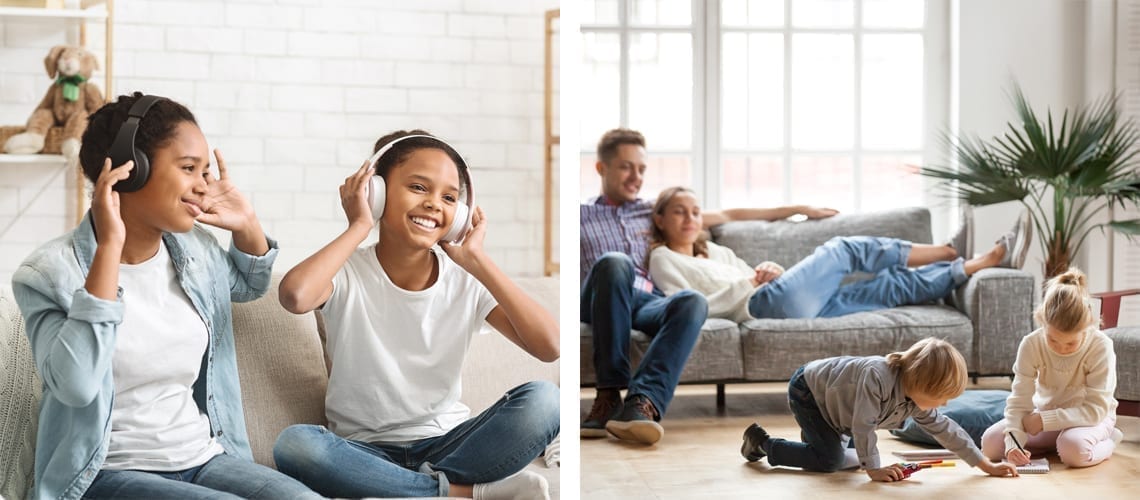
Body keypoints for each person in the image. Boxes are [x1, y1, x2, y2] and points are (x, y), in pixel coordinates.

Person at [10, 93, 319, 499]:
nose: (203, 186)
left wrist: (247, 225)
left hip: (201, 459)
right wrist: (108, 250)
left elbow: (247, 286)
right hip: (104, 474)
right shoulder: (49, 273)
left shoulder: (195, 250)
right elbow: (77, 384)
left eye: (206, 171)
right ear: (130, 169)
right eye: (190, 168)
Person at [271, 130, 560, 500]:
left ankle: (409, 491)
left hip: (451, 446)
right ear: (374, 193)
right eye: (419, 187)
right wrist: (358, 225)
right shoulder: (347, 271)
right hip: (364, 452)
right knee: (295, 445)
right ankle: (461, 494)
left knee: (546, 400)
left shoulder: (465, 280)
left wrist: (479, 261)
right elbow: (295, 296)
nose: (434, 204)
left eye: (450, 197)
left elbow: (549, 346)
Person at [580, 128, 839, 445]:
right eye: (625, 167)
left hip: (645, 301)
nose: (636, 176)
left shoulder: (650, 211)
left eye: (642, 168)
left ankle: (641, 405)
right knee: (614, 262)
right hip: (600, 299)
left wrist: (799, 209)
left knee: (691, 301)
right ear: (601, 168)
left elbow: (731, 214)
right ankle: (608, 394)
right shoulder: (579, 215)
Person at [646, 186, 1031, 322]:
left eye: (695, 211)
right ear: (660, 219)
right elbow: (684, 305)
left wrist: (769, 268)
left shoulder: (714, 250)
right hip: (761, 305)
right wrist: (750, 283)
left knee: (887, 288)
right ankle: (948, 250)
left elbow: (755, 272)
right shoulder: (663, 259)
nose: (690, 218)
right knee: (844, 249)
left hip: (783, 299)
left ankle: (975, 263)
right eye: (679, 211)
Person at [740, 338, 1020, 481]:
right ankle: (764, 443)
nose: (943, 405)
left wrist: (986, 465)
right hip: (810, 392)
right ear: (920, 383)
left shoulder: (916, 400)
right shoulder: (877, 376)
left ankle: (816, 442)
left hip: (839, 407)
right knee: (831, 462)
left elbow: (948, 431)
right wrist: (874, 469)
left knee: (847, 458)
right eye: (940, 397)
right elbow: (863, 425)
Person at [980, 267, 1124, 468]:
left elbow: (1095, 410)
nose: (1061, 349)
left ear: (1088, 326)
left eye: (1071, 343)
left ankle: (1108, 441)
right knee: (990, 445)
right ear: (1042, 321)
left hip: (1091, 419)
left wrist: (1044, 420)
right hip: (1045, 416)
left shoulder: (1101, 346)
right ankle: (1054, 444)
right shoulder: (1031, 344)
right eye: (1053, 340)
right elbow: (1019, 402)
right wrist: (1014, 445)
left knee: (1073, 451)